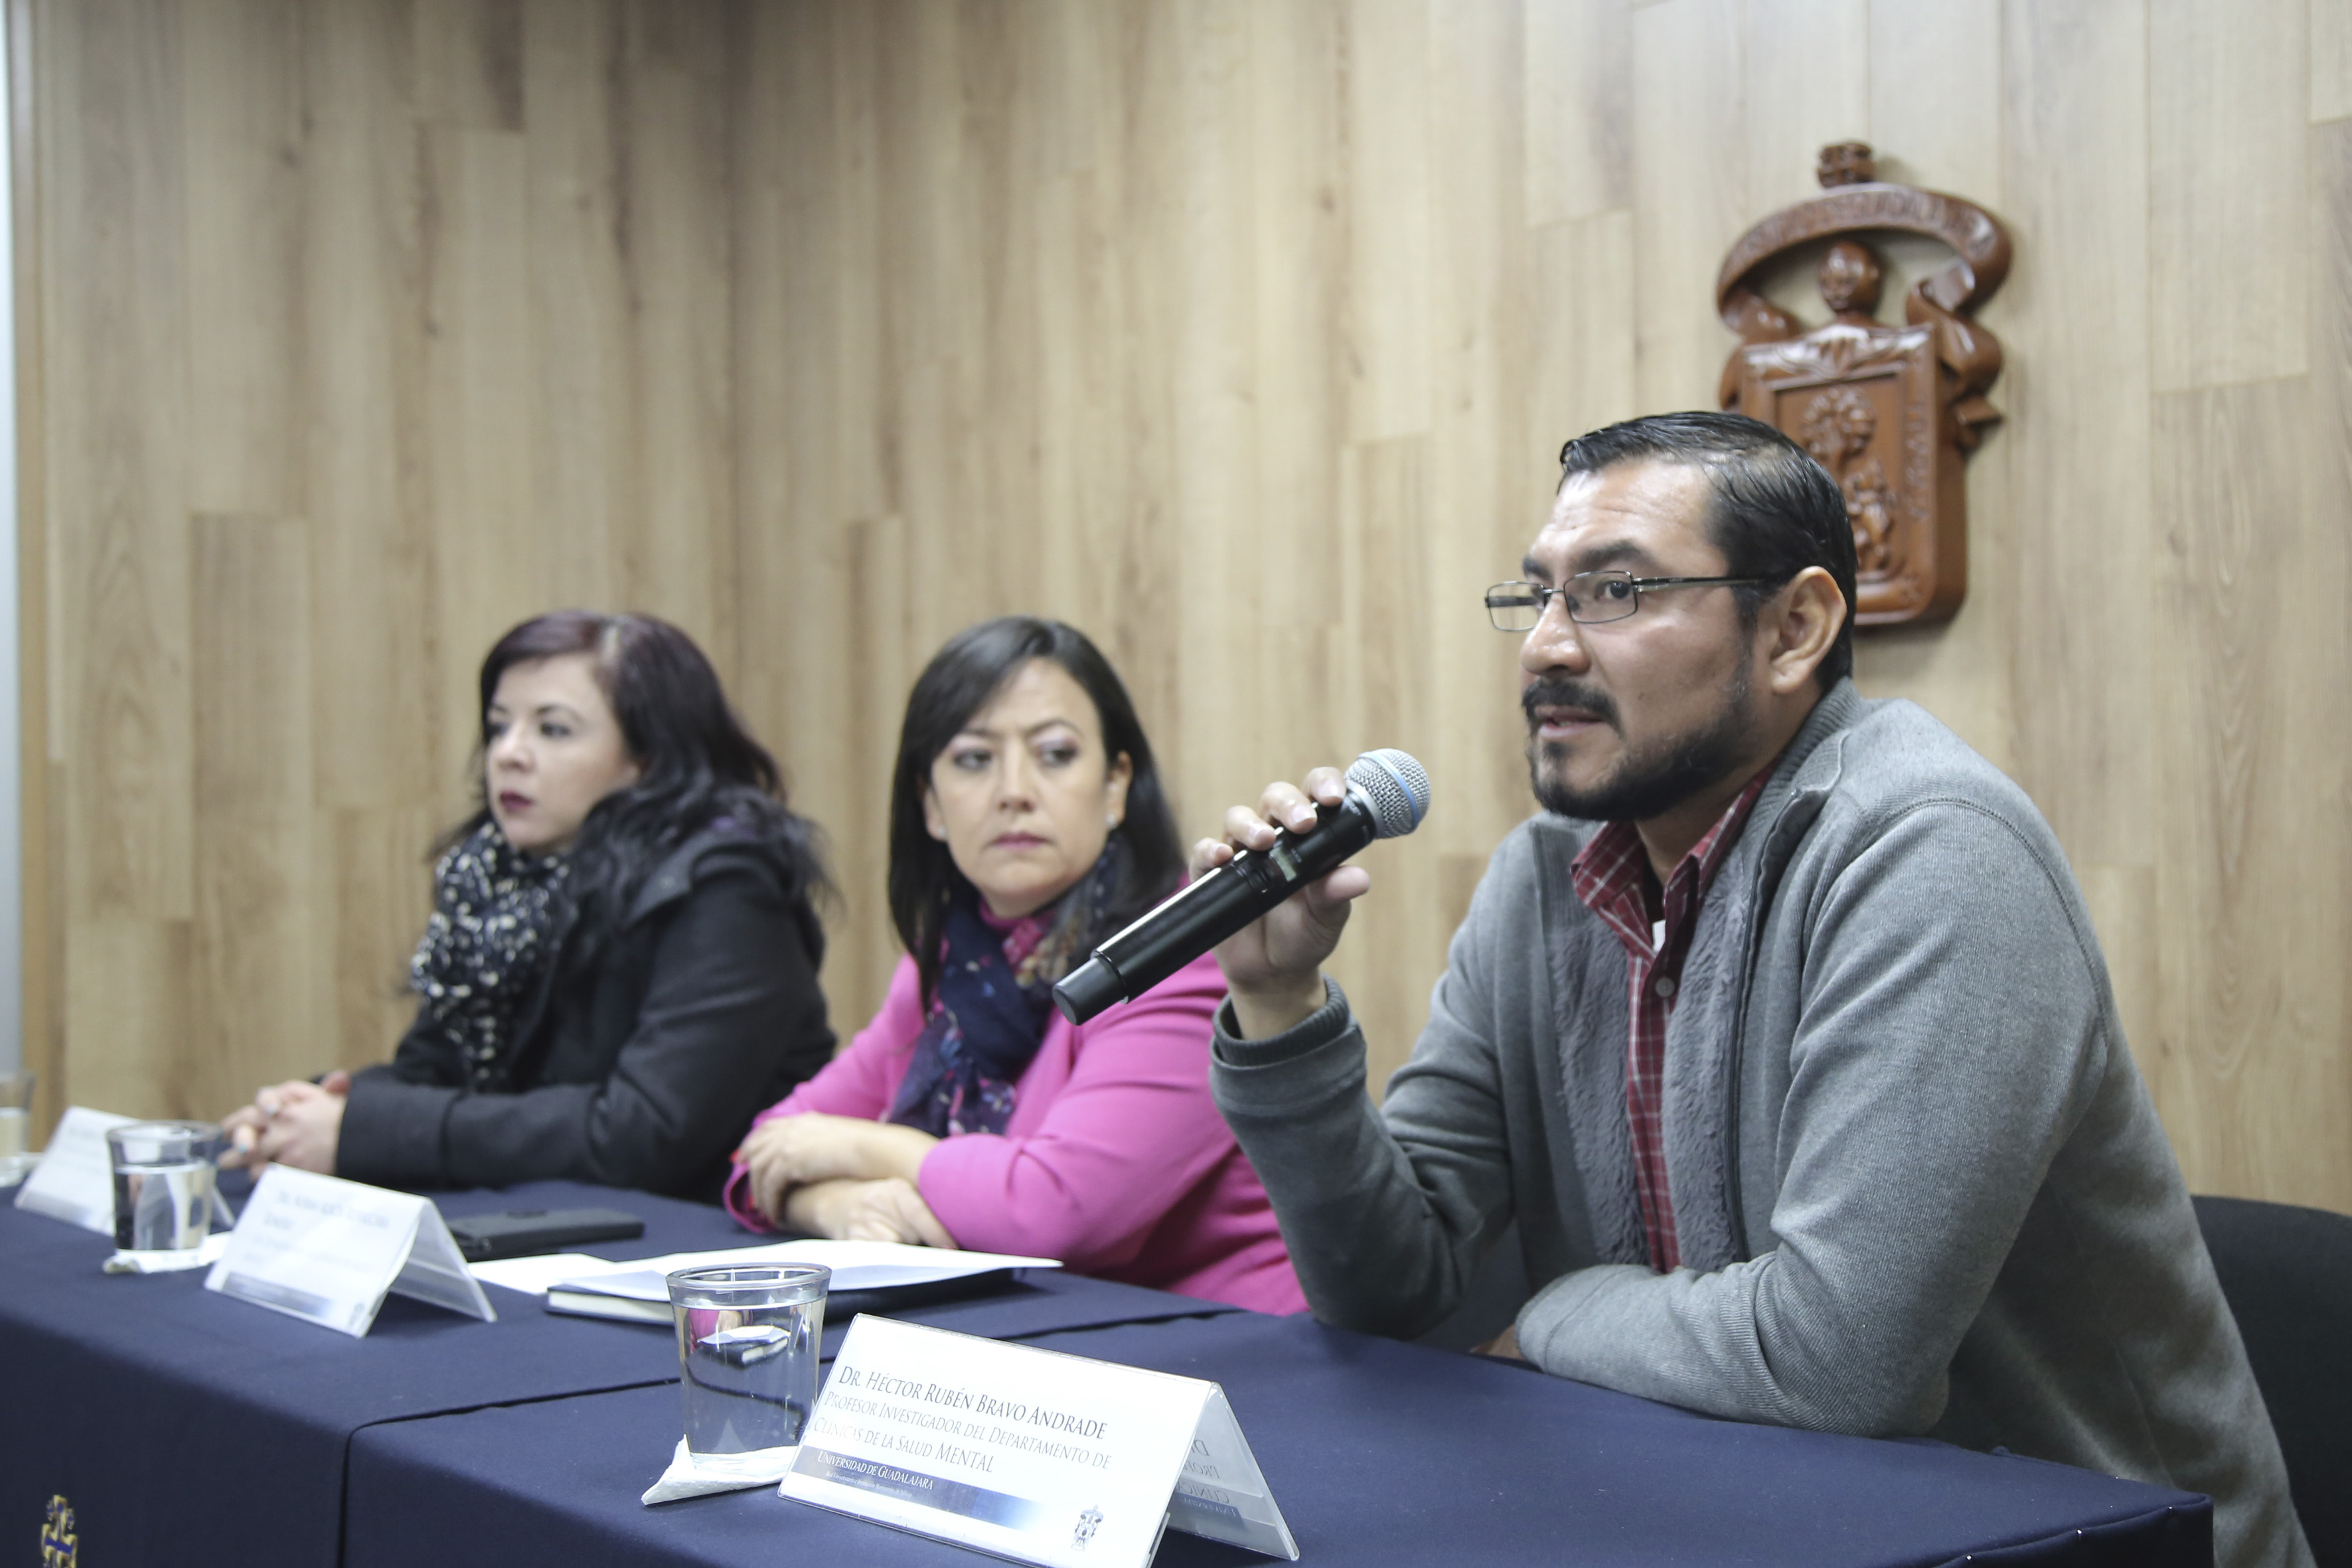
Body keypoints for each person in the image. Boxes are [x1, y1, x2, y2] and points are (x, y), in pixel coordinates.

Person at [1200, 413, 2309, 1567]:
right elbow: (1391, 1288)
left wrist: (1552, 1317)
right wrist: (1281, 1004)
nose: (1544, 646)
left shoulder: (1931, 851)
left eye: (1614, 592)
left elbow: (1836, 1359)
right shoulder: (1543, 878)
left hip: (2065, 1539)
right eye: (1536, 595)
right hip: (1703, 1512)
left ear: (1793, 628)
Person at [728, 616, 1303, 1314]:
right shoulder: (946, 969)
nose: (1014, 791)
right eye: (974, 759)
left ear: (1117, 785)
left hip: (1233, 1360)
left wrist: (876, 1149)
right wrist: (844, 1205)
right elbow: (769, 1150)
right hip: (1042, 1349)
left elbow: (1057, 1212)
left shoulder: (1184, 954)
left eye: (1055, 754)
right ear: (930, 806)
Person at [222, 611, 836, 1201]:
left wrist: (365, 1130)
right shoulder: (496, 884)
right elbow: (437, 1074)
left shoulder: (726, 890)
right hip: (550, 1229)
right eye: (498, 726)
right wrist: (312, 1112)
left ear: (646, 760)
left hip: (701, 1251)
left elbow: (640, 1134)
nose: (508, 753)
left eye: (553, 729)